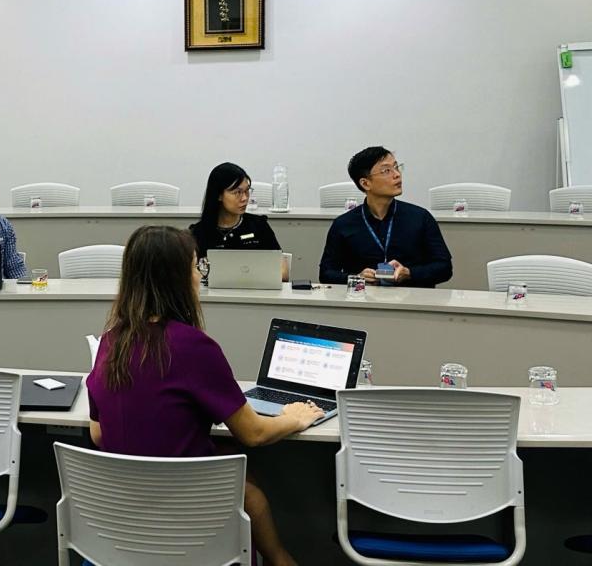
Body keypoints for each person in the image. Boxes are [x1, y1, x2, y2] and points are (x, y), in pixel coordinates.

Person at [87, 226, 322, 566]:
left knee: (239, 473)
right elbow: (253, 434)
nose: (199, 276)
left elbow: (97, 433)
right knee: (243, 480)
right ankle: (280, 560)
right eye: (196, 267)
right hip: (184, 519)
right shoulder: (192, 347)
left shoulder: (111, 341)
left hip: (122, 521)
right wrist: (294, 417)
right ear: (177, 279)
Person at [319, 146, 452, 287]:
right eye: (386, 171)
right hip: (364, 301)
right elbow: (326, 274)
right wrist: (356, 278)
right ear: (365, 183)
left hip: (413, 301)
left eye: (396, 167)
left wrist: (409, 273)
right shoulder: (344, 224)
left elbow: (444, 268)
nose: (397, 175)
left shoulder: (420, 218)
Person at [189, 162, 288, 281]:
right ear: (219, 195)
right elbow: (189, 275)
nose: (245, 198)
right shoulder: (198, 233)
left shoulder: (259, 226)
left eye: (247, 191)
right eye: (237, 192)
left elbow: (283, 270)